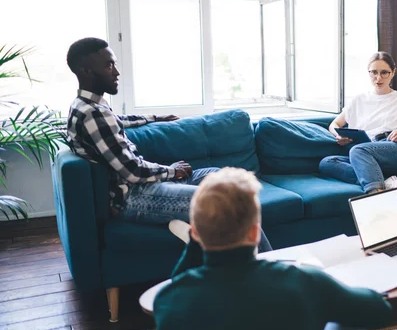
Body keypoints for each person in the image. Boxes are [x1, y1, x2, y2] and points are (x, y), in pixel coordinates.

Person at [65, 37, 271, 252]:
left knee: (224, 179)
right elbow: (133, 171)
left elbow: (116, 121)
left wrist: (154, 118)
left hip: (143, 187)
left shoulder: (87, 106)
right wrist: (173, 171)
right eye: (109, 65)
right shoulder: (93, 115)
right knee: (227, 202)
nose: (116, 72)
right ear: (86, 71)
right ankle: (267, 271)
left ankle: (189, 230)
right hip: (132, 197)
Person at [154, 168, 392, 330]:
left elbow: (181, 280)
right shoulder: (304, 281)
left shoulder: (168, 301)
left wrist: (199, 236)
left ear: (195, 233)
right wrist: (340, 290)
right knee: (347, 318)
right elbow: (378, 311)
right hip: (320, 290)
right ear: (256, 233)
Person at [320, 51, 397, 194]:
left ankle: (376, 194)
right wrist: (338, 135)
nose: (378, 78)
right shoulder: (358, 100)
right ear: (368, 73)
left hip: (396, 148)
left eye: (384, 73)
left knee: (358, 151)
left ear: (393, 72)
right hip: (367, 152)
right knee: (327, 163)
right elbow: (334, 125)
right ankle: (385, 182)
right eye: (374, 73)